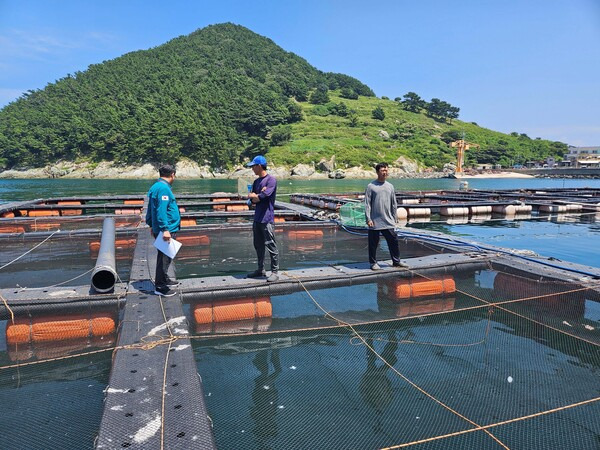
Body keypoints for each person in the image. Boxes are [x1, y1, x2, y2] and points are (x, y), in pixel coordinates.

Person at [364, 162, 408, 270]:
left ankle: (396, 261)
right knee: (373, 243)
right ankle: (373, 263)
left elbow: (394, 203)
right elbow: (367, 204)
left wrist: (395, 217)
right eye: (383, 170)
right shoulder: (371, 186)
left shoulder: (390, 186)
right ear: (378, 172)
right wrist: (368, 218)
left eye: (386, 170)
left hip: (388, 220)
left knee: (394, 241)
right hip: (375, 220)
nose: (385, 172)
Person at [146, 164, 181, 296]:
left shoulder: (156, 187)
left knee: (167, 255)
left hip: (160, 227)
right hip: (167, 228)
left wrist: (150, 224)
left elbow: (151, 209)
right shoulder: (164, 189)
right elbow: (161, 210)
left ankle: (165, 278)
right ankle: (160, 286)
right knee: (164, 257)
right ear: (172, 174)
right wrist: (165, 229)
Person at [246, 155, 279, 282]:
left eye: (253, 166)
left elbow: (262, 197)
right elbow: (252, 200)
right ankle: (260, 269)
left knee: (271, 245)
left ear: (259, 166)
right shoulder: (256, 182)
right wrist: (255, 196)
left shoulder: (271, 180)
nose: (252, 169)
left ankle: (275, 271)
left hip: (267, 218)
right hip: (257, 218)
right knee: (258, 245)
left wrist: (256, 196)